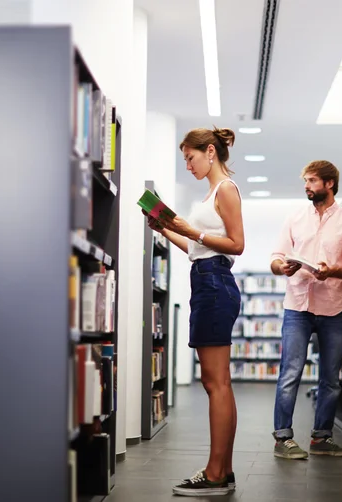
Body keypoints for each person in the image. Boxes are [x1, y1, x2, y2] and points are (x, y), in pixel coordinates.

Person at [146, 127, 244, 496]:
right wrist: (167, 228)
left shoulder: (226, 190)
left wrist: (192, 230)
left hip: (215, 284)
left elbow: (237, 244)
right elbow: (195, 247)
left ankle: (215, 472)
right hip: (206, 279)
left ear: (210, 152)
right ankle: (224, 470)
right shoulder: (210, 195)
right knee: (217, 383)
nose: (187, 165)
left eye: (190, 157)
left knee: (215, 383)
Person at [270, 160, 342, 459]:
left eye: (311, 180)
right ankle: (283, 438)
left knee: (330, 378)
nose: (306, 186)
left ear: (329, 184)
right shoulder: (295, 218)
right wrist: (281, 267)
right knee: (290, 372)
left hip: (333, 307)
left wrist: (333, 270)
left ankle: (322, 438)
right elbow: (276, 257)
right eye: (306, 181)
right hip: (297, 305)